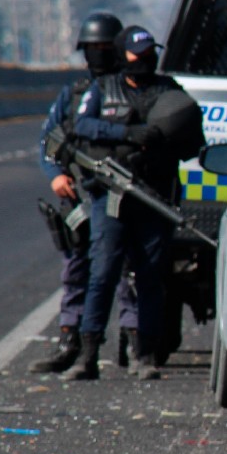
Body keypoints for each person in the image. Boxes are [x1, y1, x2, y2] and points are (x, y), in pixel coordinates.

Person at [63, 25, 198, 382]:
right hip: (110, 195)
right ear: (122, 55)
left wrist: (162, 140)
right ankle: (88, 355)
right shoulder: (102, 89)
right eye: (137, 53)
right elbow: (82, 126)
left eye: (150, 53)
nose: (145, 60)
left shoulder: (169, 91)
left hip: (153, 196)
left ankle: (145, 354)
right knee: (103, 273)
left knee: (150, 277)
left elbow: (191, 137)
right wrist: (126, 134)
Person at [30, 11, 140, 374]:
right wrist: (56, 176)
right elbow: (49, 141)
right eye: (92, 48)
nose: (98, 55)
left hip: (120, 196)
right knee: (76, 269)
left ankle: (133, 341)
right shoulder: (74, 94)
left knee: (126, 271)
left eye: (105, 48)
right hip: (80, 195)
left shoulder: (130, 90)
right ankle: (70, 339)